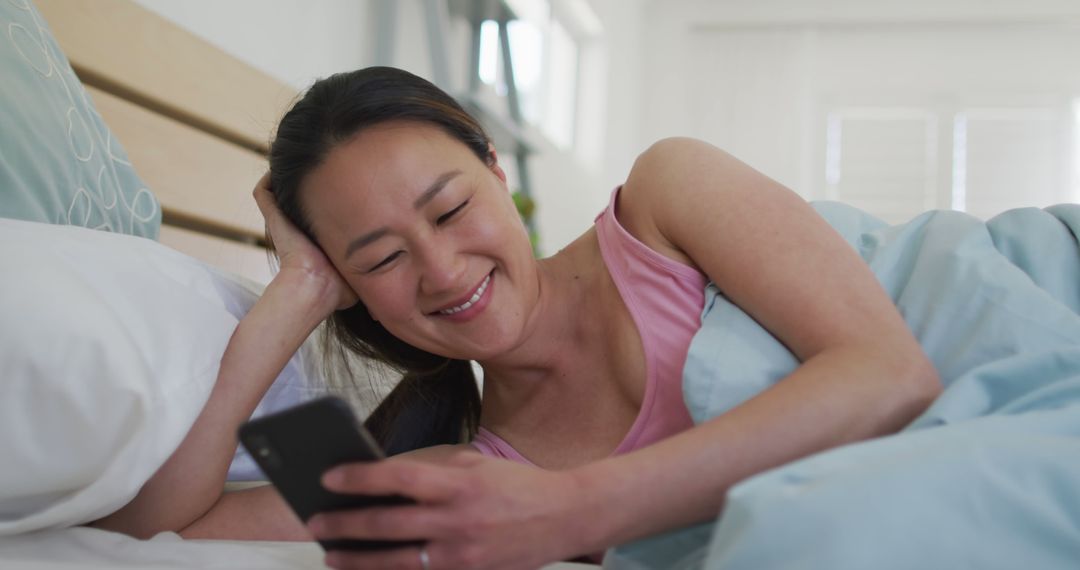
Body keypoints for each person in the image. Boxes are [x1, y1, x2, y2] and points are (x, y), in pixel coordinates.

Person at [88, 66, 942, 569]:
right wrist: (297, 292)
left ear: (496, 168)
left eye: (451, 209)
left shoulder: (665, 196)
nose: (442, 269)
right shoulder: (462, 473)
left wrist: (575, 509)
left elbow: (892, 371)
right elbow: (159, 531)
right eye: (379, 259)